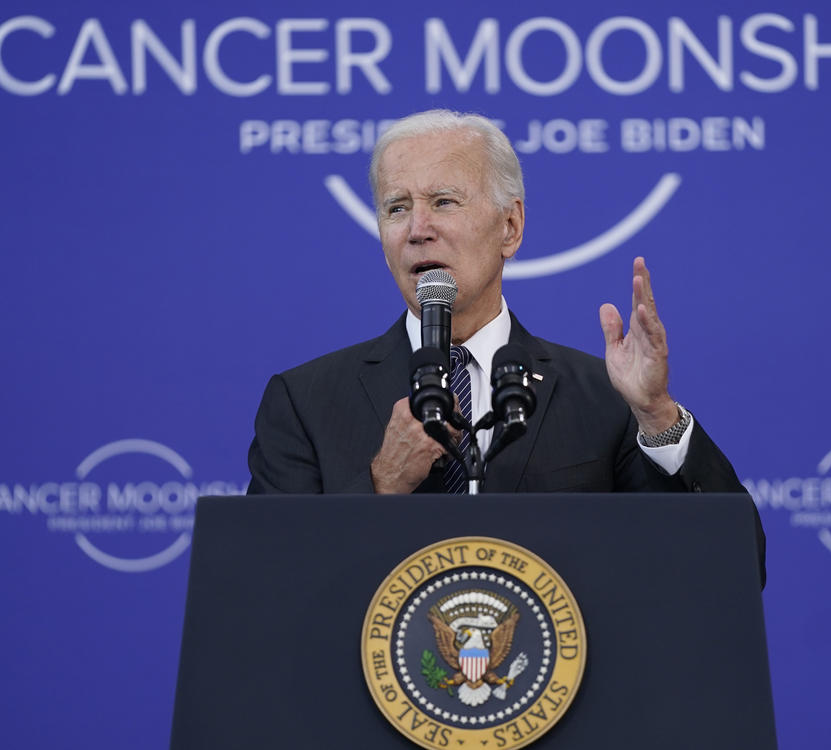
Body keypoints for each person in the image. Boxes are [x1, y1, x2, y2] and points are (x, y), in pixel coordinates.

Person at [246, 109, 763, 579]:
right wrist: (380, 489)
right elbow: (265, 592)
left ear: (510, 227)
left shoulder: (604, 396)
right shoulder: (305, 402)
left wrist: (655, 414)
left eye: (443, 202)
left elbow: (733, 568)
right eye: (396, 208)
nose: (417, 230)